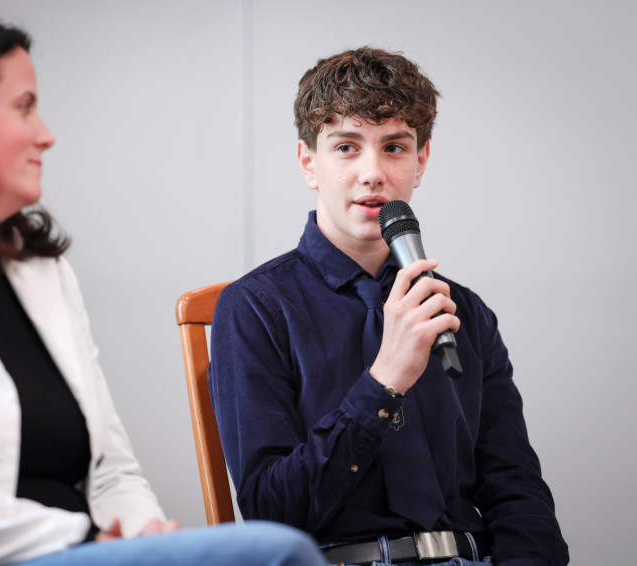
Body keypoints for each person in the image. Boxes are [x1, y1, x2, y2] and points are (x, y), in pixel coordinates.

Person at [0, 7, 328, 566]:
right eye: (24, 107)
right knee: (276, 553)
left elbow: (112, 471)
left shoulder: (41, 271)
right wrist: (87, 540)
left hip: (74, 551)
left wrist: (146, 536)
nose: (46, 135)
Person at [209, 47, 569, 566]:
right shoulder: (255, 307)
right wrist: (385, 381)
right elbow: (271, 513)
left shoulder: (463, 311)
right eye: (346, 147)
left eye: (395, 147)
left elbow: (517, 492)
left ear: (420, 162)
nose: (373, 173)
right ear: (309, 162)